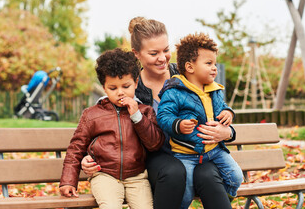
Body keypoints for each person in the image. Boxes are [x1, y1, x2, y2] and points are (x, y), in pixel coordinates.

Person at [82, 17, 236, 209]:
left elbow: (219, 108)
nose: (162, 58)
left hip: (197, 152)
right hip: (154, 158)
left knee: (207, 175)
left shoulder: (187, 74)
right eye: (154, 53)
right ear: (136, 54)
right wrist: (87, 158)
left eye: (166, 50)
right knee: (174, 171)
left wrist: (227, 132)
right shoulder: (130, 88)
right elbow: (103, 123)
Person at [59, 48, 165, 209]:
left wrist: (136, 116)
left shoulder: (145, 111)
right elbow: (76, 148)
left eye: (126, 86)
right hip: (104, 175)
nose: (120, 92)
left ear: (136, 82)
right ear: (104, 87)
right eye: (113, 88)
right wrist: (68, 181)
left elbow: (155, 143)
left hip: (137, 176)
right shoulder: (92, 114)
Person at [157, 32, 243, 209]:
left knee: (236, 176)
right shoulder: (174, 91)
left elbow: (222, 107)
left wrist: (228, 113)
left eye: (215, 63)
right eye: (209, 63)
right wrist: (178, 125)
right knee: (186, 191)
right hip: (185, 154)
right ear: (190, 67)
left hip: (214, 151)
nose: (214, 68)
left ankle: (226, 198)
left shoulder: (214, 90)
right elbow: (164, 116)